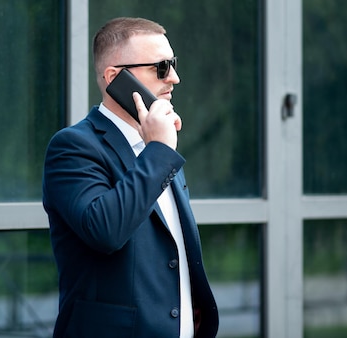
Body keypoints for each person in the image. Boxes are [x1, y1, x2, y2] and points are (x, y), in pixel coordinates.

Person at [42, 17, 219, 337]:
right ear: (115, 78)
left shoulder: (158, 150)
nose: (175, 78)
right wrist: (159, 151)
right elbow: (105, 230)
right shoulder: (73, 148)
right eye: (161, 67)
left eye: (173, 64)